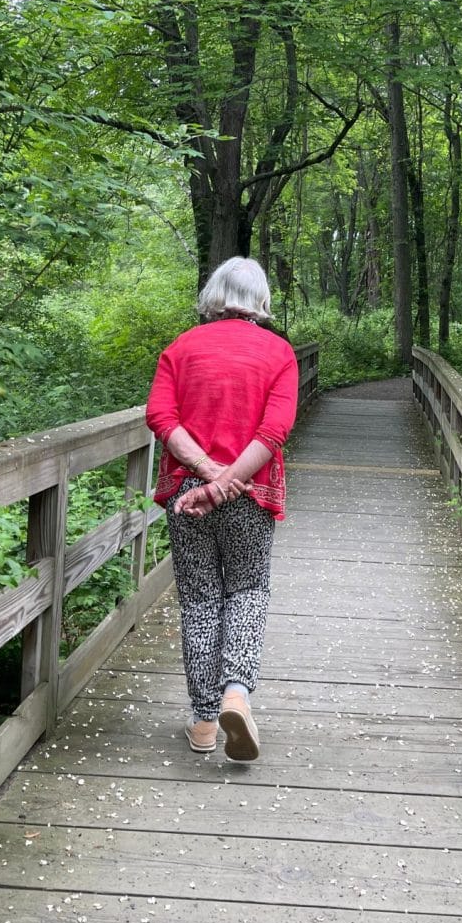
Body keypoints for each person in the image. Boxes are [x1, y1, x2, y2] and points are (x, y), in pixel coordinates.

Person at [146, 257, 298, 761]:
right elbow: (273, 433)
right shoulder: (279, 352)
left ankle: (206, 723)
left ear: (215, 295)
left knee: (199, 599)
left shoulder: (182, 348)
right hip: (250, 494)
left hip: (187, 492)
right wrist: (229, 480)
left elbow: (159, 416)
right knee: (248, 588)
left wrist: (207, 478)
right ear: (261, 301)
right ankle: (237, 692)